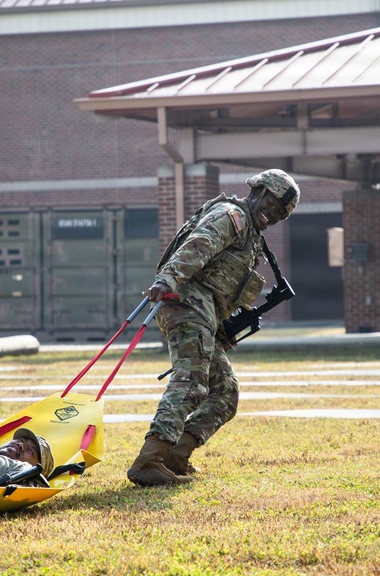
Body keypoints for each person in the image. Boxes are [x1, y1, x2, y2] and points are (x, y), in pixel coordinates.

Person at [127, 169, 299, 487]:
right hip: (185, 302)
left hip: (204, 314)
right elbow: (199, 245)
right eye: (271, 205)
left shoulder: (251, 235)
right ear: (258, 191)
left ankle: (176, 456)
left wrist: (220, 330)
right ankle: (148, 461)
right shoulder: (232, 215)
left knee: (225, 392)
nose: (272, 215)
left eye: (279, 214)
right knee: (191, 384)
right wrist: (167, 279)